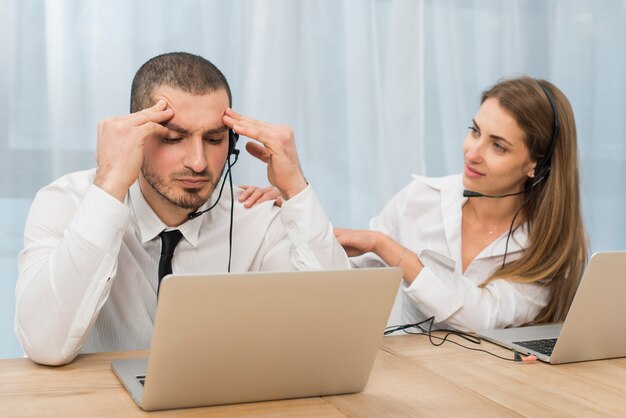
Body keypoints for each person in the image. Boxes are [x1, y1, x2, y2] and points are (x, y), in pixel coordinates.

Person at [15, 52, 349, 366]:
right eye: (174, 138)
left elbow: (337, 335)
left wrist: (296, 190)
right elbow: (45, 345)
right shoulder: (67, 203)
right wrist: (109, 186)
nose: (198, 162)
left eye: (215, 140)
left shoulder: (257, 217)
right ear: (136, 138)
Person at [244, 76, 589, 332]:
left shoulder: (548, 248)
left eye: (498, 146)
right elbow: (340, 284)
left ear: (536, 165)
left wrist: (387, 247)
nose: (472, 152)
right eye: (475, 131)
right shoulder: (421, 198)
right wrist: (295, 199)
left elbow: (477, 317)